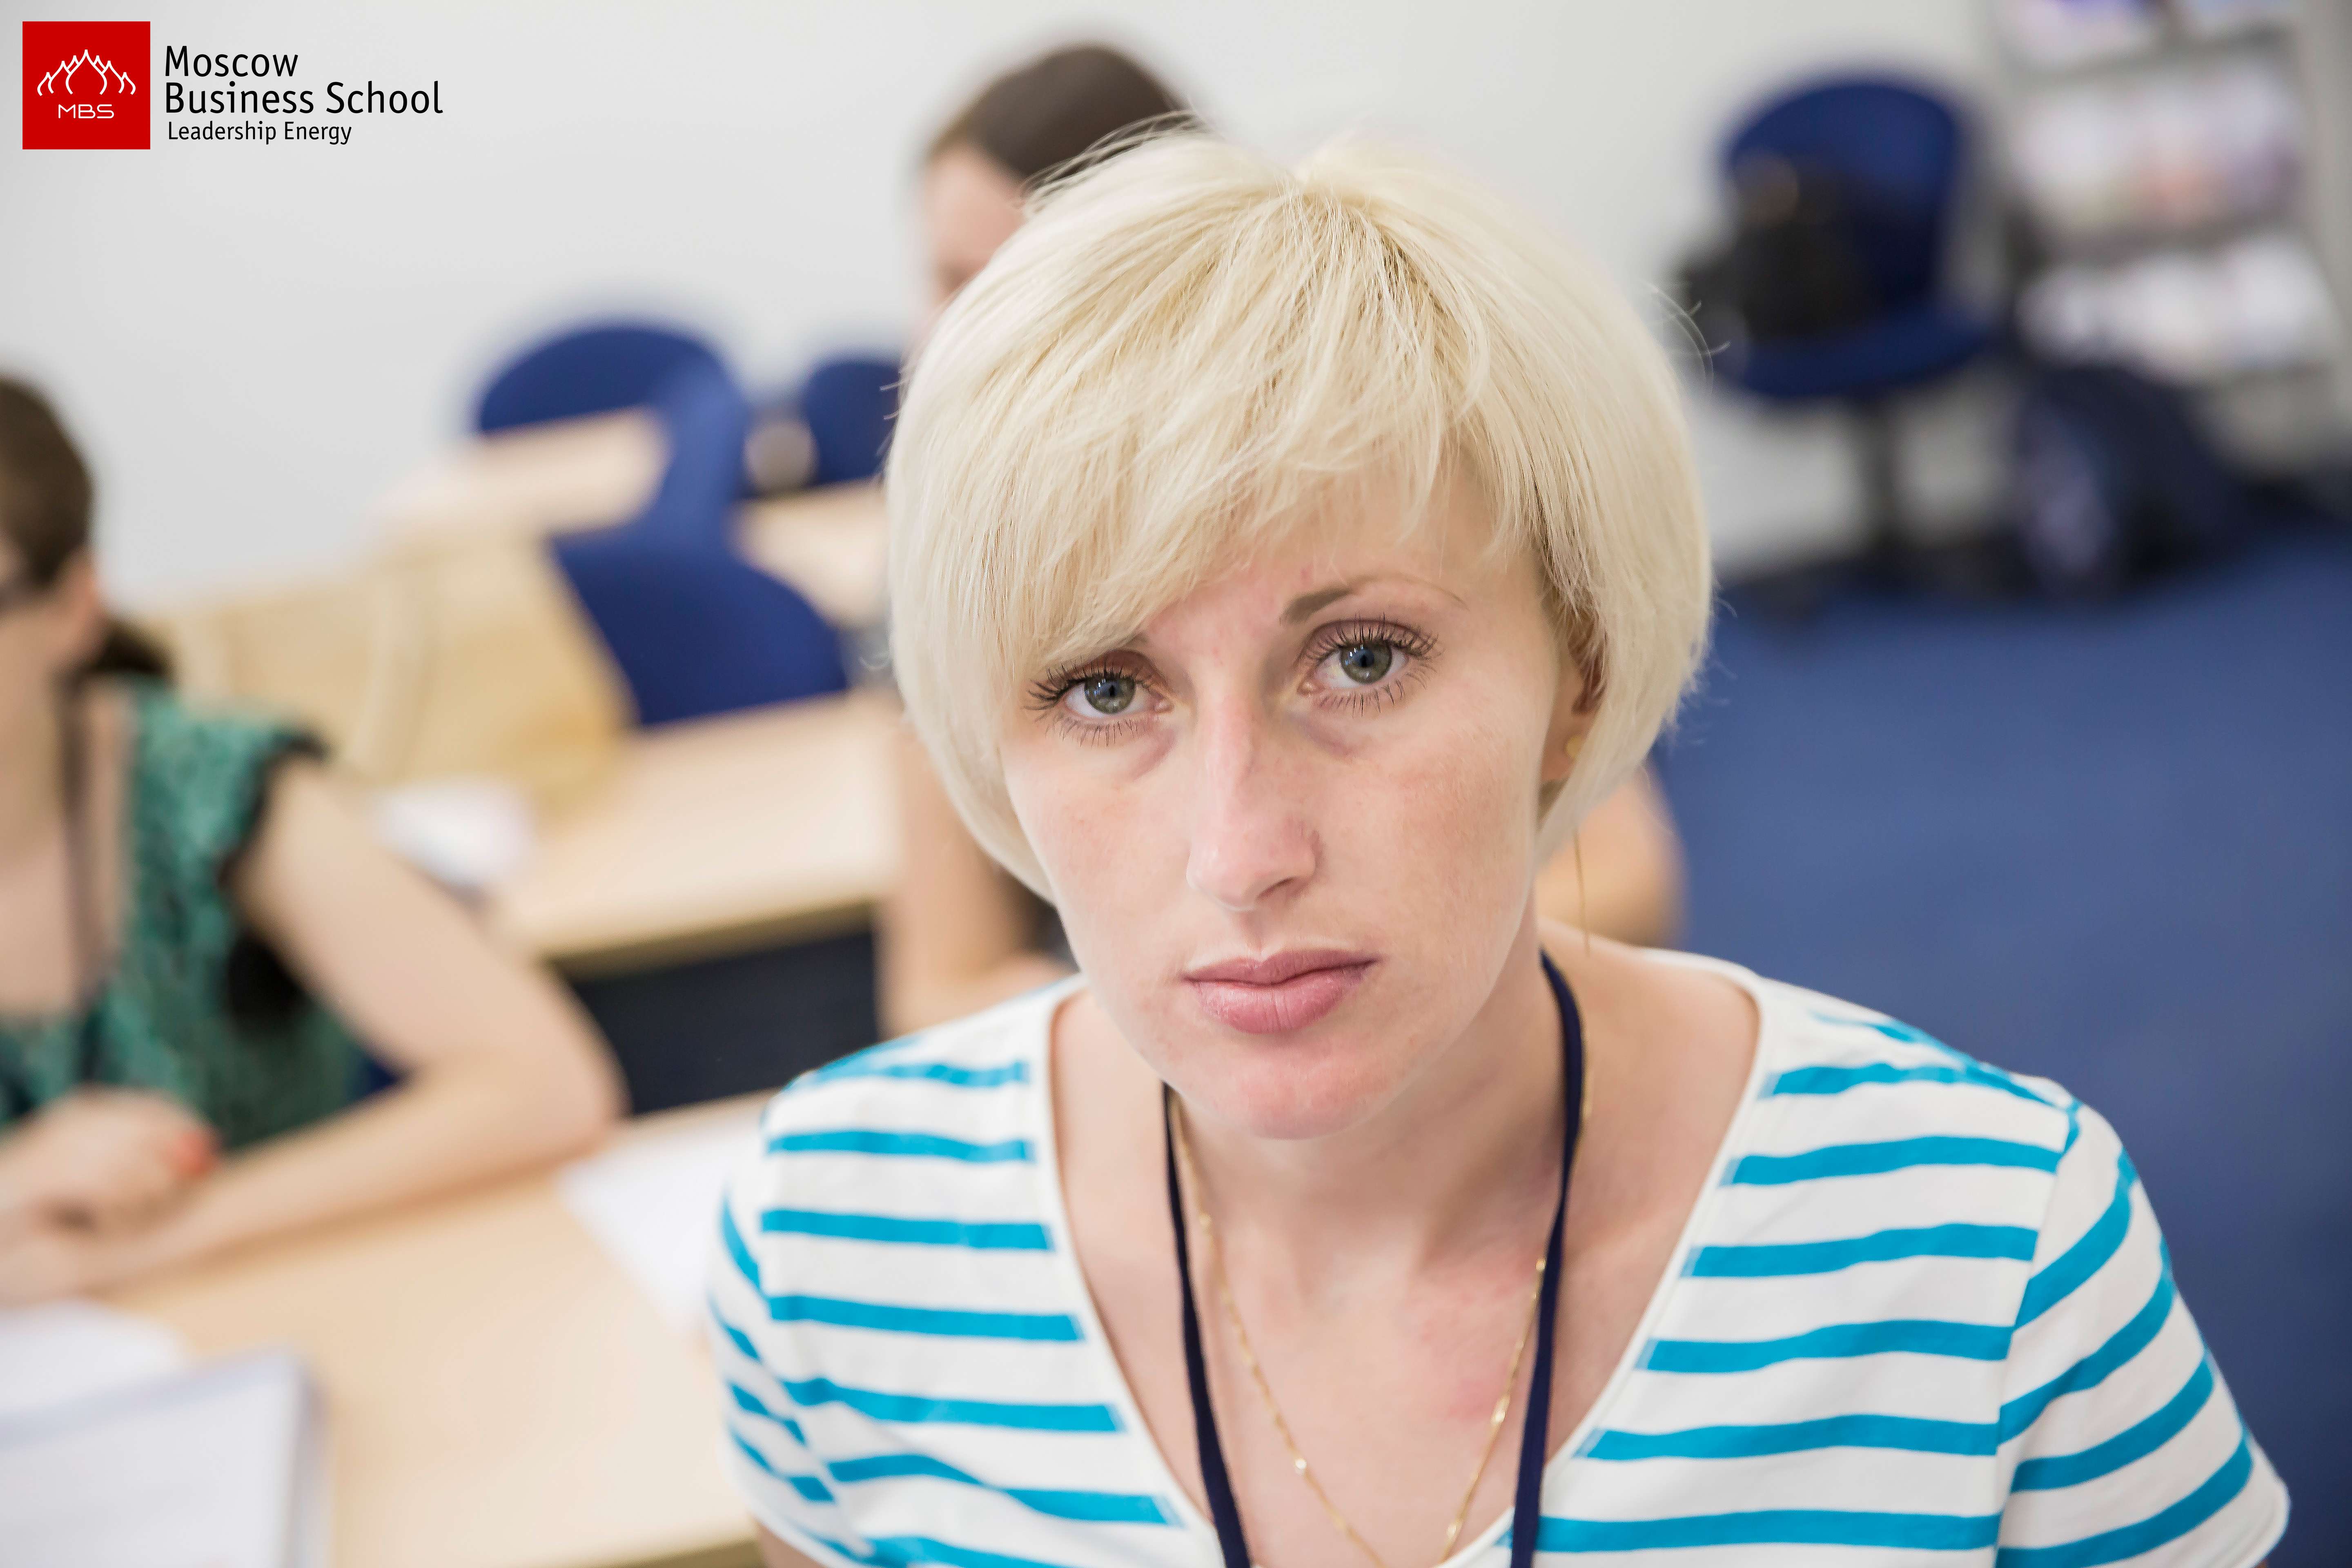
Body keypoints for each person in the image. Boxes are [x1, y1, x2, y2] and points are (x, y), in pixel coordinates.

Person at [708, 137, 2285, 1567]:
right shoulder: (832, 1250)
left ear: (1578, 673)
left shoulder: (1988, 1259)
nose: (1240, 854)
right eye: (1107, 692)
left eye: (1362, 660)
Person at [880, 45, 1684, 1035]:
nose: (953, 337)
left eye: (1363, 659)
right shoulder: (959, 593)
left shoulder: (1404, 463)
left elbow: (1628, 876)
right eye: (1107, 689)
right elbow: (938, 988)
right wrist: (1197, 1002)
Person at [0, 380, 623, 1303]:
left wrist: (141, 1248)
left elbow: (548, 1088)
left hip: (274, 1329)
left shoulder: (206, 787)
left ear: (74, 607)